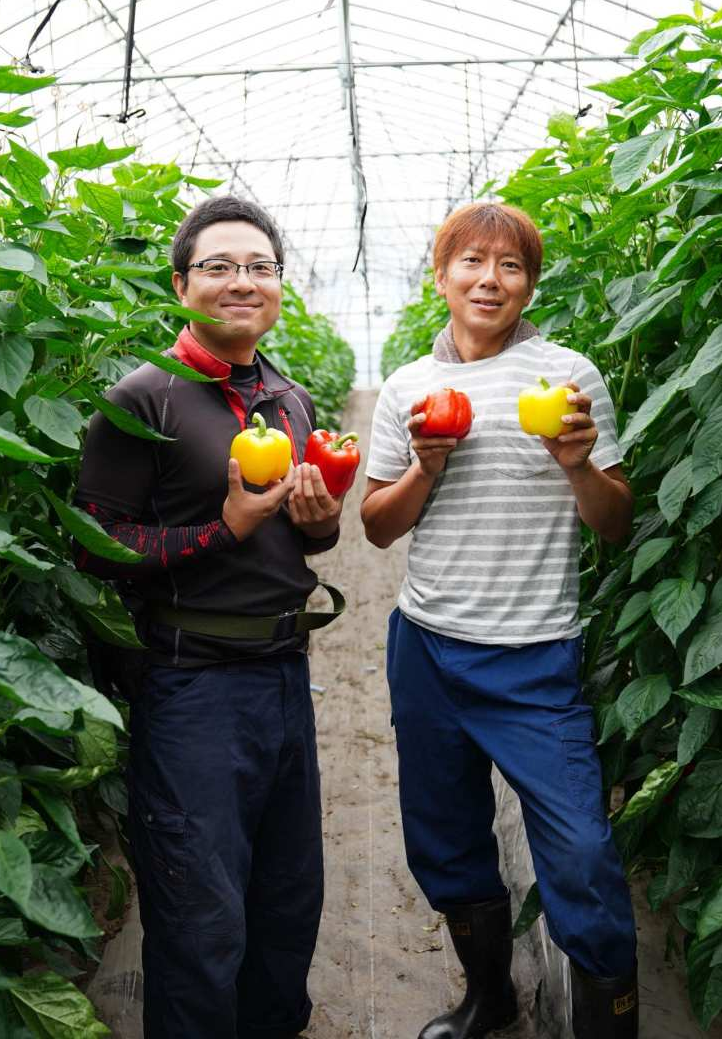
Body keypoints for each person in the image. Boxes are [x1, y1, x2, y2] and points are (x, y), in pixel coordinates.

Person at [360, 202, 639, 1039]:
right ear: (441, 277)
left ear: (530, 284)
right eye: (472, 263)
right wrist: (425, 467)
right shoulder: (410, 389)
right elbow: (376, 526)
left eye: (510, 266)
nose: (490, 280)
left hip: (535, 655)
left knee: (581, 852)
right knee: (444, 837)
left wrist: (578, 464)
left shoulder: (568, 378)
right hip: (428, 649)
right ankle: (490, 996)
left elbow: (615, 522)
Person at [73, 195, 344, 1038]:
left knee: (287, 896)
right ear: (181, 284)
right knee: (200, 912)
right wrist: (221, 529)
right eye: (219, 266)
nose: (242, 282)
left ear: (279, 285)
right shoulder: (142, 400)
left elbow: (309, 539)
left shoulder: (290, 399)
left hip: (283, 676)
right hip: (191, 683)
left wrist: (318, 519)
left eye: (260, 267)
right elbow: (96, 547)